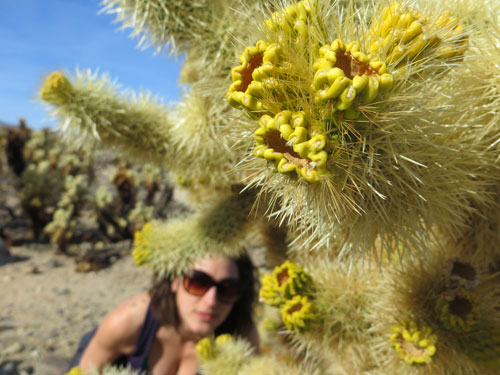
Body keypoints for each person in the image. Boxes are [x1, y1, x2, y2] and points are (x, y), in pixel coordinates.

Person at [70, 254, 259, 374]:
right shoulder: (127, 321)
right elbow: (84, 371)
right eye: (198, 282)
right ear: (174, 281)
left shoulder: (241, 336)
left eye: (227, 289)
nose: (211, 301)